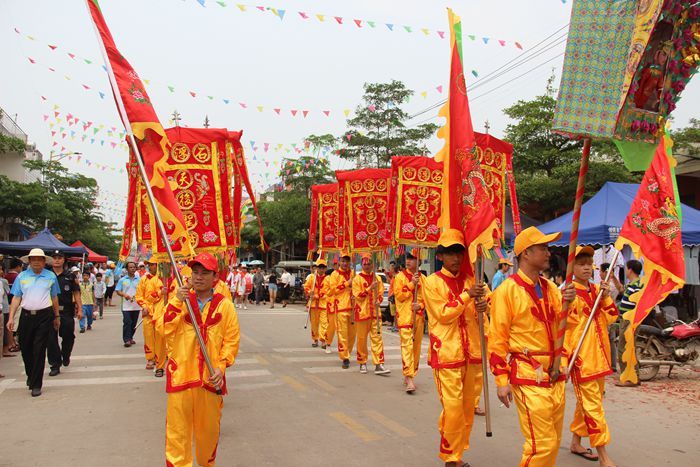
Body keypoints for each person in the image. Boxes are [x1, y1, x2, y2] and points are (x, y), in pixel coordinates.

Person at [489, 226, 576, 467]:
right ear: (526, 253)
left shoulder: (551, 288)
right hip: (528, 372)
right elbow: (497, 338)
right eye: (543, 248)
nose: (548, 253)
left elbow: (564, 327)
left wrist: (571, 303)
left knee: (554, 441)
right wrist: (501, 381)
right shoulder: (506, 291)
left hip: (555, 373)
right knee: (542, 444)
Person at [165, 252, 240, 466]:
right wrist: (176, 302)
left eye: (204, 273)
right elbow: (163, 328)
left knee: (208, 436)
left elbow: (231, 339)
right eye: (195, 272)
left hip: (210, 380)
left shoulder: (224, 305)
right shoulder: (180, 298)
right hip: (181, 377)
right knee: (177, 438)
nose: (198, 277)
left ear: (215, 276)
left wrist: (222, 366)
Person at [423, 229, 488, 466]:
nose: (456, 258)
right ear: (440, 256)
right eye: (450, 253)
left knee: (468, 409)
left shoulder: (472, 280)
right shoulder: (431, 283)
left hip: (472, 353)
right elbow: (443, 315)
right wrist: (467, 297)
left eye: (459, 253)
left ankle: (457, 453)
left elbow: (486, 307)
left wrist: (483, 305)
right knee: (452, 410)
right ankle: (451, 458)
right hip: (447, 354)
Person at [564, 246, 618, 466]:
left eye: (588, 264)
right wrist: (568, 358)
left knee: (586, 404)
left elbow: (612, 317)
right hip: (582, 359)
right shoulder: (569, 293)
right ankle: (604, 455)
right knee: (593, 407)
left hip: (601, 357)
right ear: (572, 267)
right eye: (581, 264)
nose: (586, 268)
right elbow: (565, 327)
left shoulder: (597, 290)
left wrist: (605, 298)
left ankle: (576, 442)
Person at [7, 249, 61, 397]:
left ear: (44, 261)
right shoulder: (22, 277)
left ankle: (37, 384)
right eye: (33, 259)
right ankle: (31, 376)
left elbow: (54, 297)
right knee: (26, 349)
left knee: (39, 349)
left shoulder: (50, 276)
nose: (36, 261)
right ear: (29, 261)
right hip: (26, 317)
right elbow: (16, 298)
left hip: (45, 316)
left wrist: (57, 317)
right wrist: (11, 318)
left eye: (39, 259)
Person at [392, 248, 426, 393]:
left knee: (416, 349)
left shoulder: (424, 279)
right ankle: (409, 377)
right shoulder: (400, 277)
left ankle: (410, 373)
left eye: (412, 258)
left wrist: (421, 305)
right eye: (408, 258)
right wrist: (412, 284)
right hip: (405, 317)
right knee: (407, 346)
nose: (408, 261)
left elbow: (428, 299)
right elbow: (399, 296)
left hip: (418, 317)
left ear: (418, 261)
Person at [352, 254, 390, 375]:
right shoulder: (357, 279)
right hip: (362, 313)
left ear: (372, 265)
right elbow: (358, 295)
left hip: (375, 313)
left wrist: (378, 300)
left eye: (369, 264)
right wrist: (369, 288)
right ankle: (362, 362)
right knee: (362, 340)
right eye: (365, 264)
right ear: (362, 265)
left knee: (377, 338)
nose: (367, 266)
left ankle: (379, 364)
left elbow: (381, 291)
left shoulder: (377, 278)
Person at [47, 250, 82, 376]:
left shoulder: (70, 276)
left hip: (66, 311)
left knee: (68, 336)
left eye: (59, 257)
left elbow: (76, 292)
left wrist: (80, 309)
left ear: (64, 260)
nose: (57, 260)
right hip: (49, 312)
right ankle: (55, 365)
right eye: (54, 257)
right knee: (50, 339)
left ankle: (65, 355)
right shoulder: (46, 274)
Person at [615, 259, 644, 387]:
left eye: (626, 268)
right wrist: (614, 279)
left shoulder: (637, 285)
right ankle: (634, 377)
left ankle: (629, 378)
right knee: (628, 348)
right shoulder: (632, 284)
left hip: (630, 321)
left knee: (624, 349)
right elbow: (621, 290)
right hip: (626, 320)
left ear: (630, 270)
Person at [326, 251, 355, 368]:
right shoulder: (335, 275)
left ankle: (348, 351)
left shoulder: (354, 273)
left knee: (352, 334)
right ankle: (345, 357)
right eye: (343, 261)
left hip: (354, 307)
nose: (345, 263)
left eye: (347, 261)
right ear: (339, 262)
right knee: (342, 333)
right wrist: (346, 284)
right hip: (341, 307)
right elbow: (332, 290)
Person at [135, 260, 159, 369]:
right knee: (148, 336)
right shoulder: (143, 279)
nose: (150, 266)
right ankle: (150, 358)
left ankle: (161, 357)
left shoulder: (165, 279)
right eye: (148, 264)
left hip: (161, 311)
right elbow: (139, 296)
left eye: (152, 264)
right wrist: (144, 306)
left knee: (161, 335)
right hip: (148, 312)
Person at [303, 259, 329, 348]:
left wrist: (317, 295)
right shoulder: (311, 278)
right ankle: (315, 339)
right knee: (314, 323)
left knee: (324, 323)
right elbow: (306, 287)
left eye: (323, 267)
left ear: (325, 269)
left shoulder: (328, 279)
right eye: (319, 267)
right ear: (316, 268)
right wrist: (310, 292)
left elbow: (327, 290)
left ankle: (323, 340)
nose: (321, 269)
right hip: (313, 304)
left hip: (324, 304)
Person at [115, 262, 141, 347]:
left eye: (134, 267)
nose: (133, 269)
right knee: (127, 322)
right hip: (126, 306)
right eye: (130, 267)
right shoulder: (123, 280)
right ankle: (126, 340)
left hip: (136, 305)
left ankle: (130, 337)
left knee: (134, 323)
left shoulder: (139, 279)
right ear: (127, 269)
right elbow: (118, 290)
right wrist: (124, 295)